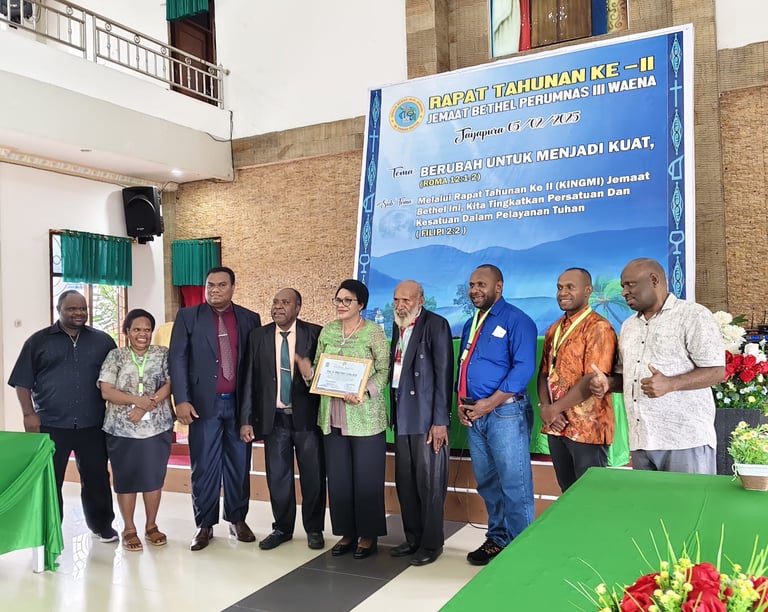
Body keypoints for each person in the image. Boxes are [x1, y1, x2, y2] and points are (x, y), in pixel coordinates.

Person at [590, 258, 725, 474]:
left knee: (688, 497)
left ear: (654, 280)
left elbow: (717, 371)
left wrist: (670, 384)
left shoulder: (693, 315)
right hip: (642, 440)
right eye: (623, 286)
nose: (624, 292)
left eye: (630, 284)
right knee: (648, 498)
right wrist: (608, 383)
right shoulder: (629, 326)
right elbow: (627, 378)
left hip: (684, 440)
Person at [8, 290, 118, 542]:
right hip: (51, 423)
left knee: (97, 476)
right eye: (72, 308)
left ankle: (102, 525)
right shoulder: (38, 342)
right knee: (50, 478)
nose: (79, 313)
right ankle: (49, 528)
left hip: (92, 423)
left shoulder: (102, 341)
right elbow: (22, 382)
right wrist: (28, 414)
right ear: (59, 309)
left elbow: (117, 378)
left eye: (83, 308)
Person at [169, 266, 261, 551]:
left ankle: (237, 519)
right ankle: (204, 524)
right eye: (210, 285)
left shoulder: (249, 318)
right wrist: (181, 399)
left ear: (233, 287)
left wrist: (253, 409)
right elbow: (177, 359)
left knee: (239, 465)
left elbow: (254, 365)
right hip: (201, 405)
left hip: (238, 405)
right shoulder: (188, 317)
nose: (215, 290)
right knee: (204, 466)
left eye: (222, 285)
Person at [297, 279, 390, 560]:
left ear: (361, 305)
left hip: (365, 417)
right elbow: (320, 369)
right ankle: (347, 533)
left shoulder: (374, 332)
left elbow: (384, 371)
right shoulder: (328, 330)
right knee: (339, 479)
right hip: (331, 417)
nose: (341, 304)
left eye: (347, 300)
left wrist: (365, 391)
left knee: (366, 479)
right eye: (338, 300)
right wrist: (308, 372)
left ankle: (368, 535)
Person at [457, 264, 537, 566]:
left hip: (505, 413)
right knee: (488, 483)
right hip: (475, 414)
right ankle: (498, 539)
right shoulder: (472, 322)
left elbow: (523, 368)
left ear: (498, 287)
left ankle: (523, 550)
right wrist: (462, 404)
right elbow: (464, 366)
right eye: (471, 284)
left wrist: (489, 403)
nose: (475, 290)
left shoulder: (517, 320)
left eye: (481, 284)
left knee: (515, 484)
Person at [239, 288, 326, 551]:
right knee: (278, 477)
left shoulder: (315, 333)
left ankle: (314, 529)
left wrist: (309, 374)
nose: (278, 307)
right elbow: (249, 380)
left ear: (298, 307)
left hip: (307, 419)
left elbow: (325, 376)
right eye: (275, 302)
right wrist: (246, 419)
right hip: (274, 420)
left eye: (285, 303)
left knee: (313, 476)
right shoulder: (258, 336)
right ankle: (282, 528)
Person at [388, 280, 453, 566]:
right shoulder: (397, 326)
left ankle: (431, 544)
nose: (400, 305)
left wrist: (440, 421)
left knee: (429, 485)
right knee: (406, 482)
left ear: (421, 300)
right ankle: (413, 537)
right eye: (396, 300)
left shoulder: (436, 325)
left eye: (406, 300)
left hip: (427, 419)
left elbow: (444, 375)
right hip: (402, 415)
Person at [98, 309, 174, 551]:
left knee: (153, 479)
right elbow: (107, 391)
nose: (143, 334)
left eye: (147, 330)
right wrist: (137, 401)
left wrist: (145, 406)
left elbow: (170, 384)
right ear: (127, 332)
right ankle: (129, 528)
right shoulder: (116, 356)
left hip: (156, 428)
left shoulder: (162, 353)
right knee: (126, 479)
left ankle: (151, 526)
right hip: (122, 429)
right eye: (137, 330)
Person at [537, 268, 618, 492]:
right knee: (567, 493)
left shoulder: (599, 327)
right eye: (559, 287)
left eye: (570, 287)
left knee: (591, 496)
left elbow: (593, 379)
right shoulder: (554, 329)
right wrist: (546, 408)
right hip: (556, 426)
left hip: (588, 429)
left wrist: (554, 409)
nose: (563, 292)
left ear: (588, 291)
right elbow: (544, 373)